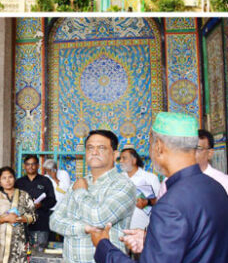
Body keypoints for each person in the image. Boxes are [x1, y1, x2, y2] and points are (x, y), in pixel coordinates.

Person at [90, 113, 228, 263]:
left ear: (159, 147)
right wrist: (150, 239)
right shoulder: (216, 188)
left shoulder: (170, 204)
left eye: (151, 144)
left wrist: (103, 246)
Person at [50, 130, 136, 263]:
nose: (94, 152)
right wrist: (84, 228)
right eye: (90, 148)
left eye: (101, 148)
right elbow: (55, 221)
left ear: (115, 155)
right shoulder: (78, 183)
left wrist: (80, 193)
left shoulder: (123, 185)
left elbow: (99, 218)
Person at [0, 166, 36, 263]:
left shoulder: (24, 195)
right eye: (4, 178)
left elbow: (33, 216)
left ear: (14, 179)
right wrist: (6, 219)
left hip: (19, 242)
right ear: (0, 181)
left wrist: (20, 218)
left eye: (10, 177)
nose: (8, 181)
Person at [15, 155, 56, 252]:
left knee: (39, 253)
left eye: (33, 164)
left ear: (38, 166)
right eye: (28, 164)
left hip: (41, 223)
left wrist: (41, 204)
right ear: (24, 166)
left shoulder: (45, 181)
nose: (30, 167)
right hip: (23, 224)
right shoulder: (19, 182)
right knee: (22, 253)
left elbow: (52, 200)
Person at [118, 147, 160, 230]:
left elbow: (161, 200)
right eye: (120, 158)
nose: (121, 161)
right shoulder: (118, 179)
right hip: (120, 230)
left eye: (124, 158)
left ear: (134, 160)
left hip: (142, 228)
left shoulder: (150, 178)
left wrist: (147, 202)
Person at [196, 129, 228, 194]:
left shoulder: (222, 182)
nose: (192, 153)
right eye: (189, 148)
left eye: (198, 149)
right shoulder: (176, 179)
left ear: (210, 153)